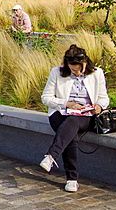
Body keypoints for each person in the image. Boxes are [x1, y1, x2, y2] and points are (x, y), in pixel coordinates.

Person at [40, 44, 110, 192]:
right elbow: (46, 98)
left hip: (86, 115)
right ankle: (71, 179)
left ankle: (52, 157)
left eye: (79, 69)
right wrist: (67, 103)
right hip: (61, 112)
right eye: (72, 70)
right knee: (69, 130)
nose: (76, 73)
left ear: (85, 63)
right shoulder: (57, 72)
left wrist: (99, 105)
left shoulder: (97, 73)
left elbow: (104, 98)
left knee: (71, 122)